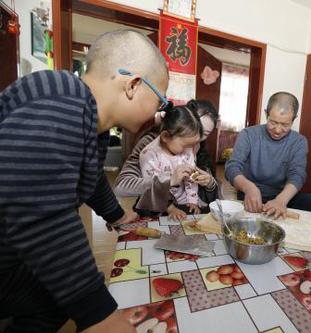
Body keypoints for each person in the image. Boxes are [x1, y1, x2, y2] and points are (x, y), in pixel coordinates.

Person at [0, 29, 168, 332]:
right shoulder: (60, 94)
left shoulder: (89, 120)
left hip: (13, 250)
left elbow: (89, 177)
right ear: (133, 85)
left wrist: (117, 214)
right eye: (161, 102)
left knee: (55, 299)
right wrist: (99, 315)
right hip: (9, 253)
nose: (159, 113)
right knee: (71, 298)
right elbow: (41, 210)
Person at [225, 92, 311, 219]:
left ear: (294, 119)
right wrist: (249, 188)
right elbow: (232, 167)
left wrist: (281, 201)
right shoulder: (248, 134)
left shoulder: (299, 141)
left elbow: (297, 174)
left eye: (285, 125)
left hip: (283, 196)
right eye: (273, 122)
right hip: (252, 195)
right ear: (266, 114)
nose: (277, 130)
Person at [114, 100, 219, 219]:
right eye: (195, 130)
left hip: (188, 210)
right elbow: (121, 186)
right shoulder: (150, 147)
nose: (197, 139)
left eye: (204, 134)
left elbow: (212, 199)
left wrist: (210, 183)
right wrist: (168, 181)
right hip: (157, 212)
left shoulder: (194, 146)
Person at [139, 105, 204, 220]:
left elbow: (191, 179)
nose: (189, 149)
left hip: (183, 201)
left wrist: (192, 201)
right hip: (158, 204)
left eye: (191, 145)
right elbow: (152, 189)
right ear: (165, 136)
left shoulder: (188, 149)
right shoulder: (149, 155)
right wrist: (170, 208)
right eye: (185, 145)